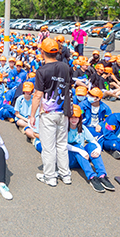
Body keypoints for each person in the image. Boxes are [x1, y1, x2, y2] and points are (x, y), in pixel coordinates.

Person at [29, 38, 73, 187]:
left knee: (49, 147)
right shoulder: (66, 67)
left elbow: (37, 95)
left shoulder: (42, 71)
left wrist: (32, 114)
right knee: (62, 145)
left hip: (48, 112)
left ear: (42, 52)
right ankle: (65, 174)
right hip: (64, 111)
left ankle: (50, 177)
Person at [67, 104, 115, 193]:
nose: (74, 120)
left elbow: (94, 142)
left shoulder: (83, 128)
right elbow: (62, 145)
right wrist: (80, 150)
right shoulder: (64, 128)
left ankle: (102, 175)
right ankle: (92, 177)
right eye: (72, 117)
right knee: (78, 146)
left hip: (83, 158)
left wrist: (98, 149)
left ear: (79, 118)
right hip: (69, 159)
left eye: (76, 117)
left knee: (92, 146)